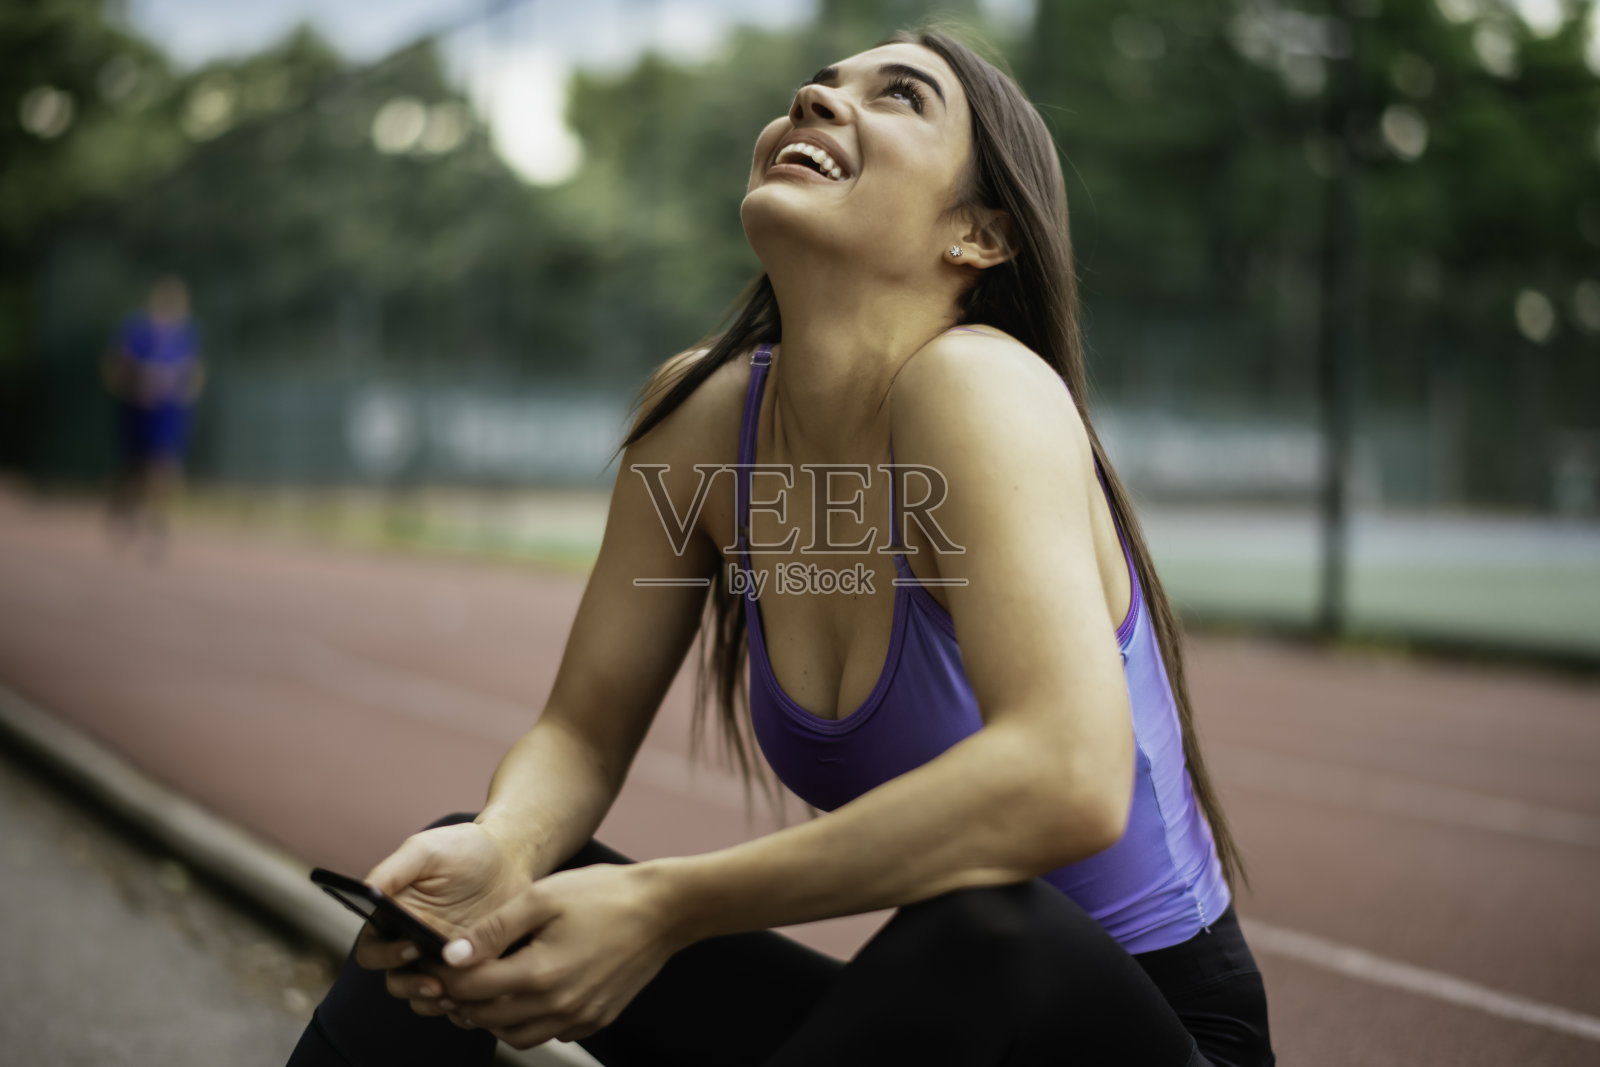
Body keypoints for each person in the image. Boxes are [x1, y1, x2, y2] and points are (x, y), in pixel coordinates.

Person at [287, 27, 1275, 1067]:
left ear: (979, 235)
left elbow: (1067, 777)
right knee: (473, 894)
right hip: (928, 1015)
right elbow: (579, 734)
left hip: (1146, 1032)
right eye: (818, 82)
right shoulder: (699, 420)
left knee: (986, 925)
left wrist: (663, 905)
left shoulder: (982, 383)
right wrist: (504, 845)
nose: (817, 96)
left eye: (900, 95)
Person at [102, 274, 205, 556]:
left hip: (168, 412)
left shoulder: (185, 334)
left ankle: (158, 520)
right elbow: (117, 365)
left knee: (165, 466)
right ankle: (125, 507)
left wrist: (182, 391)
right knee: (133, 468)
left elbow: (195, 372)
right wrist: (135, 383)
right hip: (137, 410)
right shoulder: (138, 330)